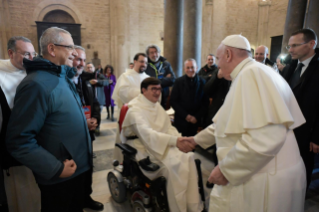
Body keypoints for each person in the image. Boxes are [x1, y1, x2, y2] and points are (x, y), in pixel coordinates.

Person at [181, 34, 307, 212]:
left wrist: (227, 169)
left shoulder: (251, 74)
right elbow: (225, 121)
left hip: (266, 179)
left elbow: (266, 136)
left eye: (218, 58)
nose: (217, 64)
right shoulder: (251, 72)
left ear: (228, 55)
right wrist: (196, 140)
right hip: (268, 173)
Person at [6, 27, 92, 212]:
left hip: (78, 170)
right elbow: (18, 140)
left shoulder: (63, 76)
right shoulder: (35, 85)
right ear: (52, 49)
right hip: (60, 176)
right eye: (69, 47)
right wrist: (56, 168)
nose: (75, 52)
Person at [121, 77, 201, 212]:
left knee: (189, 158)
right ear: (143, 90)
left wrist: (180, 139)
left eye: (159, 89)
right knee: (172, 167)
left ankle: (193, 206)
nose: (158, 92)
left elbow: (168, 127)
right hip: (141, 145)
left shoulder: (156, 105)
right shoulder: (135, 110)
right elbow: (147, 134)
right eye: (153, 89)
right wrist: (174, 141)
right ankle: (177, 208)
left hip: (160, 141)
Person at [0, 36, 40, 211]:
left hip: (37, 142)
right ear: (10, 53)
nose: (32, 58)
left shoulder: (34, 69)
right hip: (14, 144)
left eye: (34, 54)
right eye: (26, 54)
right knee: (20, 193)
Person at [282, 28, 319, 189]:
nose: (290, 50)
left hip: (308, 132)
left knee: (303, 171)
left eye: (295, 45)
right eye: (289, 46)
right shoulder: (291, 66)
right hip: (288, 129)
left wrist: (316, 136)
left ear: (311, 44)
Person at [72, 45, 104, 211]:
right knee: (76, 170)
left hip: (88, 133)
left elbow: (95, 104)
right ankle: (77, 201)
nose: (81, 63)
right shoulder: (66, 82)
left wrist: (95, 119)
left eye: (84, 60)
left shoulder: (86, 82)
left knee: (88, 167)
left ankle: (86, 197)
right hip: (73, 136)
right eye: (78, 59)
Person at [112, 53, 150, 162]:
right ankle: (123, 163)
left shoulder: (147, 78)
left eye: (146, 62)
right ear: (135, 62)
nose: (144, 64)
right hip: (128, 114)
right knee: (126, 141)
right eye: (141, 61)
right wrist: (143, 94)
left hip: (144, 115)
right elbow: (124, 94)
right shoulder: (126, 76)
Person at [170, 59, 208, 136]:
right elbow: (173, 101)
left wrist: (196, 117)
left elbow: (205, 102)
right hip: (181, 118)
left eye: (192, 67)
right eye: (188, 67)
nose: (190, 70)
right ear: (184, 69)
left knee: (193, 143)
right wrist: (186, 116)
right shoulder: (178, 82)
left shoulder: (203, 82)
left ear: (197, 68)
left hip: (196, 119)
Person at [145, 44, 176, 109]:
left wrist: (154, 81)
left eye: (156, 52)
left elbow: (173, 80)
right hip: (150, 97)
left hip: (164, 97)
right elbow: (146, 82)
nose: (154, 55)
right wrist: (165, 79)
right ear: (148, 55)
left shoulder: (166, 64)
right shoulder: (145, 66)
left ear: (159, 53)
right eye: (151, 53)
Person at [86, 62, 108, 135]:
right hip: (90, 101)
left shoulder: (99, 75)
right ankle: (92, 128)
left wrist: (98, 81)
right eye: (88, 67)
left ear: (94, 68)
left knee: (98, 114)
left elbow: (107, 82)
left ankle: (97, 128)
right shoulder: (84, 77)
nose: (89, 69)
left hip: (99, 99)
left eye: (91, 67)